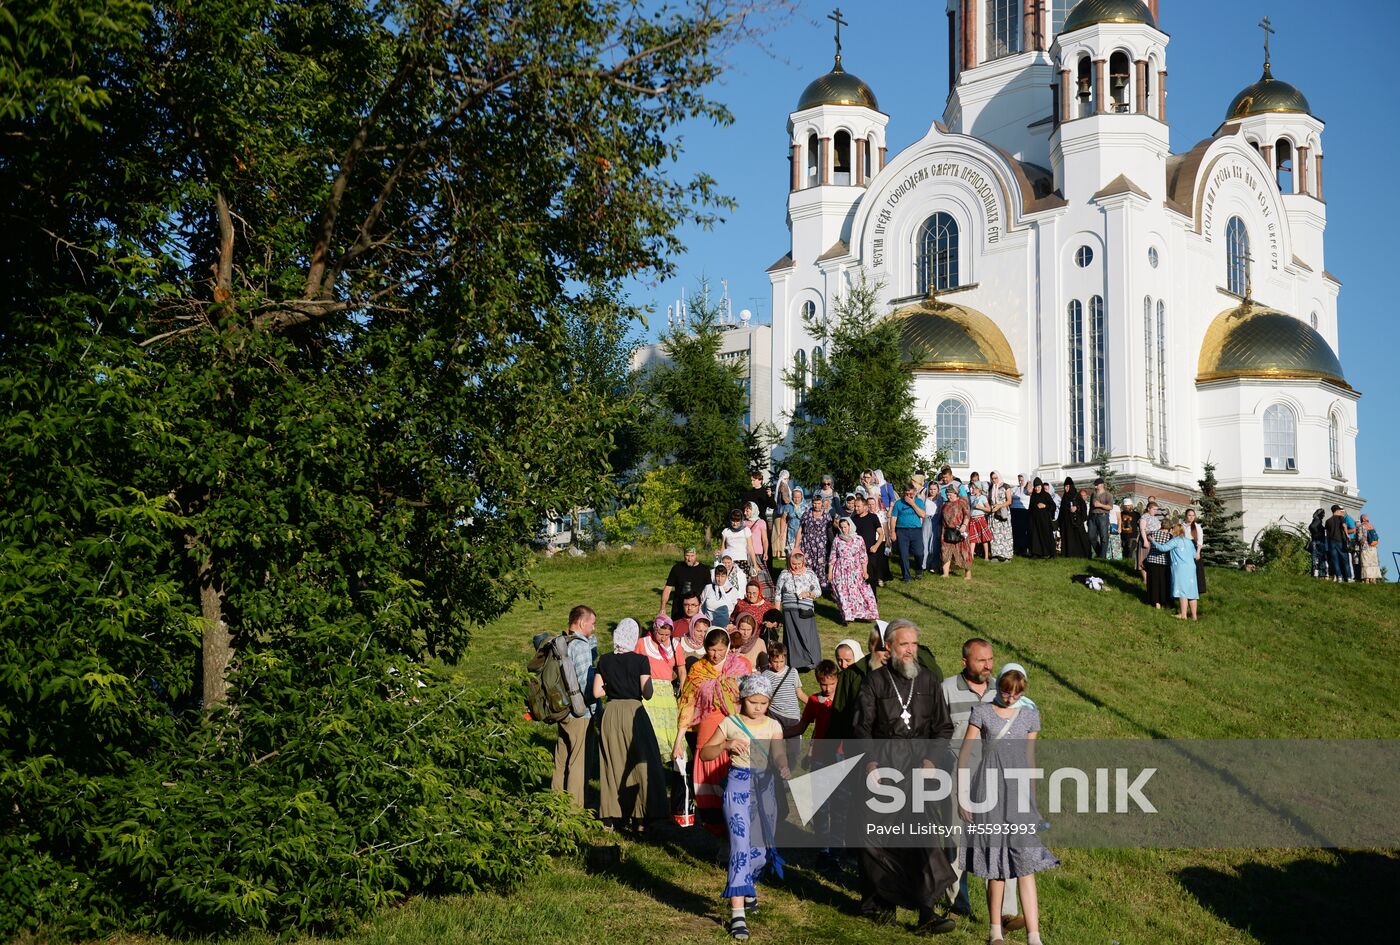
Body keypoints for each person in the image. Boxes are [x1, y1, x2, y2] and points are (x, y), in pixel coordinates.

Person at [853, 619, 958, 934]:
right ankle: (881, 904)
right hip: (884, 765)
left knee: (922, 838)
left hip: (918, 768)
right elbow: (861, 727)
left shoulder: (928, 681)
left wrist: (930, 759)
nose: (911, 650)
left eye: (914, 644)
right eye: (904, 644)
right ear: (889, 647)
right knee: (878, 839)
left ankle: (926, 912)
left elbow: (943, 727)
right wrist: (871, 764)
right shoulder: (874, 682)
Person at [957, 665, 1059, 945]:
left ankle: (1034, 936)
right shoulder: (982, 712)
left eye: (1016, 693)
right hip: (988, 793)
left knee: (1025, 864)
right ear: (998, 685)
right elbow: (965, 755)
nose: (1010, 697)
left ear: (1023, 691)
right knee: (996, 865)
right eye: (1005, 691)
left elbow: (1030, 759)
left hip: (1018, 797)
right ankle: (994, 932)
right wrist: (962, 795)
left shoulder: (1030, 716)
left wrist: (1034, 802)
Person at [702, 672, 788, 942]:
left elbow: (778, 752)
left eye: (763, 703)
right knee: (740, 847)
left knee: (760, 851)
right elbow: (705, 752)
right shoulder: (731, 722)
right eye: (753, 702)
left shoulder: (774, 726)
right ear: (743, 699)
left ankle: (748, 885)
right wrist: (726, 745)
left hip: (765, 788)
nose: (758, 708)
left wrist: (783, 765)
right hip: (738, 785)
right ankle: (737, 914)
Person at [939, 638, 1001, 922]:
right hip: (956, 771)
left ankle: (1003, 910)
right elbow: (937, 731)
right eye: (981, 660)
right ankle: (957, 901)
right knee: (955, 837)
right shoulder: (948, 689)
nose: (988, 665)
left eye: (990, 659)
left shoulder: (1001, 689)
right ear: (965, 661)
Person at [674, 627, 751, 837]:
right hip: (708, 730)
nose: (715, 654)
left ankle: (737, 833)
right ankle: (720, 838)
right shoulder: (698, 670)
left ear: (727, 647)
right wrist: (678, 741)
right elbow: (687, 705)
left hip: (735, 729)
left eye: (720, 649)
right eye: (711, 649)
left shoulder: (741, 666)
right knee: (709, 786)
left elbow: (751, 700)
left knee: (733, 784)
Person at [594, 618, 669, 829]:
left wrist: (613, 686)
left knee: (612, 762)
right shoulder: (640, 660)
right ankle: (640, 817)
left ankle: (611, 816)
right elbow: (648, 693)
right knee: (642, 761)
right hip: (634, 712)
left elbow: (597, 692)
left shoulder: (605, 660)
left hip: (611, 712)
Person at [552, 605, 599, 807]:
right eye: (592, 623)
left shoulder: (562, 643)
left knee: (560, 761)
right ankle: (574, 812)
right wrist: (596, 709)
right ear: (581, 622)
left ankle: (556, 805)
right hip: (580, 714)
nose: (594, 628)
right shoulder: (579, 647)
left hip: (561, 710)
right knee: (578, 763)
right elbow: (584, 683)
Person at [637, 615, 686, 758]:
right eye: (660, 633)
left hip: (667, 692)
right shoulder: (642, 643)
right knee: (651, 727)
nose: (663, 637)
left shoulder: (675, 645)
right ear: (654, 629)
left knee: (669, 727)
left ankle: (673, 761)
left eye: (667, 634)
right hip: (648, 689)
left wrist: (682, 687)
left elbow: (682, 669)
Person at [774, 550, 822, 672]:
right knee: (792, 637)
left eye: (799, 563)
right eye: (794, 563)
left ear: (803, 562)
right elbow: (778, 594)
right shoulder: (784, 574)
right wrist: (776, 612)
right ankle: (795, 663)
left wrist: (809, 593)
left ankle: (810, 661)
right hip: (789, 611)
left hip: (805, 609)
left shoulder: (810, 574)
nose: (796, 566)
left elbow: (818, 591)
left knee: (806, 635)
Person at [829, 516, 880, 624]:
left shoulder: (858, 539)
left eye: (845, 527)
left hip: (855, 569)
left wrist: (865, 571)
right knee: (843, 593)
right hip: (841, 570)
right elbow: (833, 557)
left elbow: (863, 556)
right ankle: (846, 616)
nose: (844, 529)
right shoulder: (837, 540)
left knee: (858, 593)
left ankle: (864, 614)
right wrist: (830, 573)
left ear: (850, 526)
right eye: (841, 527)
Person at [1151, 523, 1201, 620]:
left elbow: (1163, 548)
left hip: (1180, 568)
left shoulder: (1175, 541)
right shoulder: (1189, 542)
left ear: (1175, 531)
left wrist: (1153, 541)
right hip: (1191, 567)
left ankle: (1183, 615)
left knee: (1183, 591)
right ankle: (1194, 617)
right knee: (1192, 591)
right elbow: (1195, 555)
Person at [761, 641, 803, 737]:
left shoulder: (793, 672)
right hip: (774, 715)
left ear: (785, 659)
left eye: (781, 661)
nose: (778, 665)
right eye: (775, 662)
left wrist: (813, 704)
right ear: (770, 660)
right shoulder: (765, 675)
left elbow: (799, 693)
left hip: (792, 716)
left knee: (794, 748)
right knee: (776, 746)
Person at [890, 482, 928, 582]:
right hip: (902, 531)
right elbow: (893, 518)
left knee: (919, 552)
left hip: (916, 530)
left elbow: (923, 515)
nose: (908, 496)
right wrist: (892, 532)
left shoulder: (919, 502)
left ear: (914, 492)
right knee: (903, 554)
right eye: (906, 494)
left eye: (910, 494)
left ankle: (918, 570)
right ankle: (906, 576)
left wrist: (912, 503)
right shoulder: (899, 503)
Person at [795, 495, 834, 590]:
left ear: (822, 504)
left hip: (821, 545)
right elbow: (801, 529)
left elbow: (829, 531)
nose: (816, 505)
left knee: (820, 565)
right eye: (815, 503)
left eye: (819, 503)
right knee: (807, 564)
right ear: (812, 503)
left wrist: (833, 544)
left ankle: (822, 586)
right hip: (807, 543)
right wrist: (796, 546)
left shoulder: (826, 515)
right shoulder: (806, 514)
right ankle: (808, 585)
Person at [660, 546, 710, 621]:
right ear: (684, 555)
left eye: (692, 556)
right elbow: (668, 588)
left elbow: (709, 590)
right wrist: (663, 607)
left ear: (696, 555)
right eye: (687, 556)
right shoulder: (677, 568)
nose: (689, 559)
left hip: (697, 608)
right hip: (678, 608)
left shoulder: (704, 570)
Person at [850, 493, 885, 598]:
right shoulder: (854, 519)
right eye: (855, 506)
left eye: (858, 506)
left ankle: (872, 599)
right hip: (856, 553)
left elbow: (881, 533)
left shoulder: (873, 517)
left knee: (871, 576)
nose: (856, 508)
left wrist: (876, 546)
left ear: (865, 507)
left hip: (870, 552)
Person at [941, 483, 974, 581]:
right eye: (947, 494)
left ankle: (968, 574)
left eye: (950, 494)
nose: (948, 496)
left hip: (959, 531)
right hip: (946, 531)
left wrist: (964, 525)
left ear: (956, 493)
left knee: (964, 552)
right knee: (945, 551)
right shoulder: (945, 504)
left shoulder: (962, 502)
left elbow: (967, 515)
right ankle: (945, 573)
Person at [1144, 513, 1173, 610]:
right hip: (1164, 562)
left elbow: (1148, 538)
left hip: (1152, 560)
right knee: (1163, 582)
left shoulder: (1153, 533)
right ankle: (1163, 600)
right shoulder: (1170, 536)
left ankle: (1154, 601)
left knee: (1153, 582)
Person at [702, 564, 741, 630]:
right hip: (708, 627)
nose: (720, 579)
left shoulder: (733, 591)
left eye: (723, 576)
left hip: (725, 628)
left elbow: (734, 610)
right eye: (717, 576)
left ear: (726, 576)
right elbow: (701, 605)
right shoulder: (708, 588)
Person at [720, 509, 757, 577]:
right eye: (733, 521)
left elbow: (750, 547)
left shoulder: (746, 530)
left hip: (742, 560)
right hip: (729, 562)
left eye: (737, 521)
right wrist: (720, 561)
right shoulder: (726, 531)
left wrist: (755, 564)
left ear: (741, 521)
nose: (735, 523)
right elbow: (723, 548)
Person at [1057, 478, 1089, 558]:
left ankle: (1082, 554)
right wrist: (1059, 522)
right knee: (1069, 538)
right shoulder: (1064, 497)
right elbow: (1062, 510)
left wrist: (1076, 508)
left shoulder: (1077, 496)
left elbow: (1083, 507)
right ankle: (1069, 554)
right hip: (1067, 523)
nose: (1066, 488)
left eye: (1067, 486)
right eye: (1065, 486)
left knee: (1079, 538)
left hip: (1076, 522)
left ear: (1071, 486)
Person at [987, 472, 1014, 561]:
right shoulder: (991, 487)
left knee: (1005, 534)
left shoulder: (1006, 486)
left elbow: (1009, 501)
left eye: (995, 478)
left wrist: (999, 505)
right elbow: (989, 500)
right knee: (994, 533)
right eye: (992, 478)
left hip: (1003, 512)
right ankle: (996, 554)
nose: (994, 480)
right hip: (994, 513)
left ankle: (1007, 556)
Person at [1027, 479, 1056, 558]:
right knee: (1035, 537)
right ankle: (1036, 553)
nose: (1037, 489)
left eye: (1038, 486)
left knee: (1047, 535)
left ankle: (1051, 553)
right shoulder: (1033, 496)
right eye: (1035, 487)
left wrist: (1045, 506)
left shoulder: (1046, 495)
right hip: (1034, 520)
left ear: (1041, 486)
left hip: (1044, 520)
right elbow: (1030, 508)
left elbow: (1053, 506)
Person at [1325, 505, 1353, 583]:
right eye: (1340, 510)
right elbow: (1344, 526)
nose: (1341, 512)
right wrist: (1347, 535)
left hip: (1331, 542)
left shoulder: (1328, 521)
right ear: (1337, 511)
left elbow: (1327, 532)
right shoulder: (1341, 518)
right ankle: (1348, 577)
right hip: (1340, 541)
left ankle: (1339, 577)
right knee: (1345, 559)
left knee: (1335, 560)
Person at [674, 594, 707, 659]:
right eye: (686, 605)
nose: (689, 608)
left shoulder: (707, 625)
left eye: (693, 605)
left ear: (699, 605)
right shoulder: (674, 625)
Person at [1184, 507, 1206, 595]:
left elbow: (1200, 541)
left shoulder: (1197, 527)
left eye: (1193, 515)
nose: (1191, 517)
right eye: (1189, 515)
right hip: (1184, 548)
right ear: (1186, 516)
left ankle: (1198, 588)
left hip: (1194, 548)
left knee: (1196, 569)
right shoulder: (1182, 526)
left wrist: (1198, 552)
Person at [1138, 501, 1162, 581]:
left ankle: (1150, 578)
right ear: (1148, 508)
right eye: (1154, 509)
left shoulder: (1155, 518)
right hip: (1146, 539)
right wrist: (1145, 540)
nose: (1155, 511)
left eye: (1156, 510)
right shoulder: (1144, 517)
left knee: (1151, 559)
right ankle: (1145, 579)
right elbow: (1142, 529)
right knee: (1143, 558)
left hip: (1154, 541)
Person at [780, 485, 806, 560]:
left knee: (801, 554)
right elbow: (783, 519)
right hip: (791, 533)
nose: (797, 499)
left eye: (798, 497)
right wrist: (781, 532)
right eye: (795, 497)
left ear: (802, 497)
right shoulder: (788, 506)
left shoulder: (806, 507)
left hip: (802, 534)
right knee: (790, 554)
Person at [1010, 474, 1032, 556]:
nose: (1020, 482)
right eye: (1019, 480)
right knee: (1016, 531)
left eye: (1022, 480)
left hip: (1024, 511)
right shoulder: (1015, 488)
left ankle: (1024, 549)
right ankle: (1016, 548)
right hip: (1014, 510)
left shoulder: (1027, 489)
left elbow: (1030, 491)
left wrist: (1028, 483)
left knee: (1023, 531)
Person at [744, 501, 769, 569]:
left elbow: (764, 540)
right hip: (745, 553)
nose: (745, 513)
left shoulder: (761, 522)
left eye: (747, 511)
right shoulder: (743, 523)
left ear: (753, 510)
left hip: (757, 552)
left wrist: (765, 552)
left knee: (759, 575)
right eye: (744, 511)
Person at [1358, 514, 1382, 583]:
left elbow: (1360, 538)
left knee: (1366, 562)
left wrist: (1362, 541)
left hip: (1365, 547)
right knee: (1374, 563)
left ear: (1362, 519)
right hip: (1373, 547)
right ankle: (1373, 579)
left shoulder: (1361, 526)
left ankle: (1367, 578)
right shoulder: (1372, 526)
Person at [1307, 508, 1329, 578]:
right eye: (1323, 514)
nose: (1324, 515)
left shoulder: (1316, 520)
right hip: (1318, 542)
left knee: (1316, 558)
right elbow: (1312, 527)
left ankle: (1316, 573)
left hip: (1316, 541)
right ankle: (1320, 573)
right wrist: (1317, 534)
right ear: (1320, 514)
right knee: (1319, 558)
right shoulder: (1317, 520)